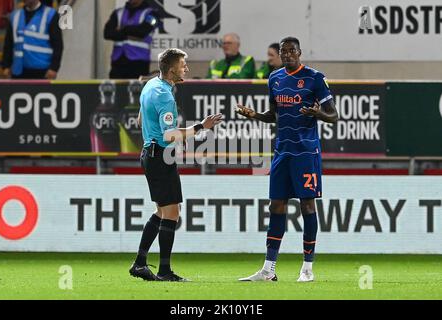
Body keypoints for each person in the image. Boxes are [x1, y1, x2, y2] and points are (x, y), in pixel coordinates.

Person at [236, 37, 338, 282]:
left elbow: (333, 116)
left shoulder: (315, 78)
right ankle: (268, 269)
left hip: (306, 151)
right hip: (282, 151)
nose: (288, 54)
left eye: (292, 50)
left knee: (307, 206)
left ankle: (307, 268)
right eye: (284, 52)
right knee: (276, 206)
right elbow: (275, 115)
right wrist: (255, 116)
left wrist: (318, 113)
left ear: (300, 52)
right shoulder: (274, 78)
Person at [129, 48, 223, 282]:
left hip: (149, 153)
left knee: (163, 212)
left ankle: (140, 264)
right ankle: (164, 271)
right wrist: (201, 127)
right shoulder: (165, 96)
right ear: (172, 69)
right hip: (160, 156)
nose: (186, 68)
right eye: (183, 65)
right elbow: (170, 134)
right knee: (171, 214)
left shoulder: (150, 85)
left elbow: (140, 119)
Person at [1, 0, 63, 79]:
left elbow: (58, 45)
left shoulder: (50, 15)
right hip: (18, 71)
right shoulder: (14, 16)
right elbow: (8, 44)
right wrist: (5, 66)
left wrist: (54, 68)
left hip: (42, 72)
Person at [104, 0, 160, 79]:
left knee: (136, 90)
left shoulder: (152, 14)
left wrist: (123, 29)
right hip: (118, 61)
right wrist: (132, 31)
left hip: (139, 61)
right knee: (118, 90)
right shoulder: (118, 13)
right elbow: (107, 34)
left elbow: (142, 32)